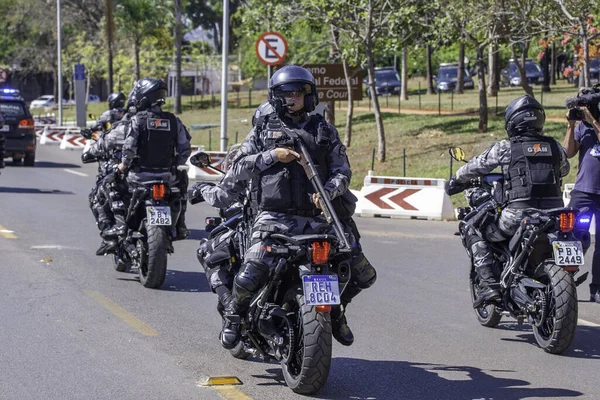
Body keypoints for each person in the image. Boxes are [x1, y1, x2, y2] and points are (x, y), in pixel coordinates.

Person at [212, 65, 375, 349]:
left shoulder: (324, 131)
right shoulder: (263, 130)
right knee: (251, 271)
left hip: (319, 218)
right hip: (273, 219)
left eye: (300, 92)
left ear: (309, 96)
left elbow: (343, 172)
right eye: (287, 92)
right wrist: (272, 156)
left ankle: (336, 311)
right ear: (276, 96)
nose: (294, 97)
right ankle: (234, 316)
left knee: (361, 272)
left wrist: (328, 190)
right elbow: (238, 167)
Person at [446, 95, 570, 307]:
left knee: (472, 228)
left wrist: (456, 180)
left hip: (517, 216)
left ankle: (488, 286)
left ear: (513, 122)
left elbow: (476, 165)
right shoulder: (555, 146)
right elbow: (565, 170)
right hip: (554, 215)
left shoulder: (506, 147)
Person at [117, 78, 192, 240]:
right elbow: (185, 149)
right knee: (182, 187)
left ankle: (120, 228)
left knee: (114, 188)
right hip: (167, 178)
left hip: (138, 178)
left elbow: (129, 147)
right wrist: (175, 164)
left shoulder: (138, 120)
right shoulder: (174, 120)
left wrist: (123, 165)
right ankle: (181, 225)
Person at [563, 88, 600, 303]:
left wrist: (593, 121)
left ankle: (596, 288)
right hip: (583, 192)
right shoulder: (581, 127)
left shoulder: (592, 124)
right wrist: (571, 125)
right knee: (572, 238)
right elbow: (568, 152)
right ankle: (565, 282)